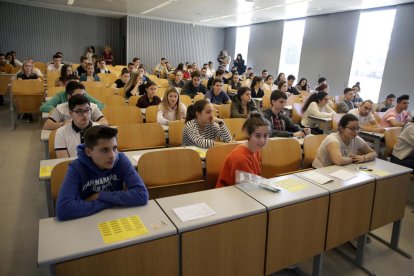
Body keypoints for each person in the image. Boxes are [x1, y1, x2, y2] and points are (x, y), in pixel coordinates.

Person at [56, 125, 149, 221]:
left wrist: (100, 196)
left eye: (114, 148)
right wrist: (115, 201)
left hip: (115, 216)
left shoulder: (121, 159)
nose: (112, 156)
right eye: (104, 150)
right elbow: (64, 209)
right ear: (88, 152)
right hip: (87, 221)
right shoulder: (77, 167)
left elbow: (141, 195)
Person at [216, 113, 270, 188]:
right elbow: (248, 188)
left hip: (246, 190)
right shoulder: (240, 158)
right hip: (229, 194)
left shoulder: (256, 149)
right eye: (258, 136)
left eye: (265, 136)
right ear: (248, 134)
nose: (262, 140)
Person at [312, 114, 377, 168]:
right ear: (341, 128)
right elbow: (338, 161)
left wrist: (364, 158)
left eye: (357, 129)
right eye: (352, 129)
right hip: (321, 171)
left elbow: (373, 153)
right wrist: (355, 159)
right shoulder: (332, 139)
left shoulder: (356, 138)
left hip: (341, 169)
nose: (356, 132)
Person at [43, 82, 108, 130]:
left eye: (83, 95)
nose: (82, 97)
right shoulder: (60, 108)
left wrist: (89, 124)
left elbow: (104, 122)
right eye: (78, 95)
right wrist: (64, 124)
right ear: (69, 97)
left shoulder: (92, 107)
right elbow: (47, 125)